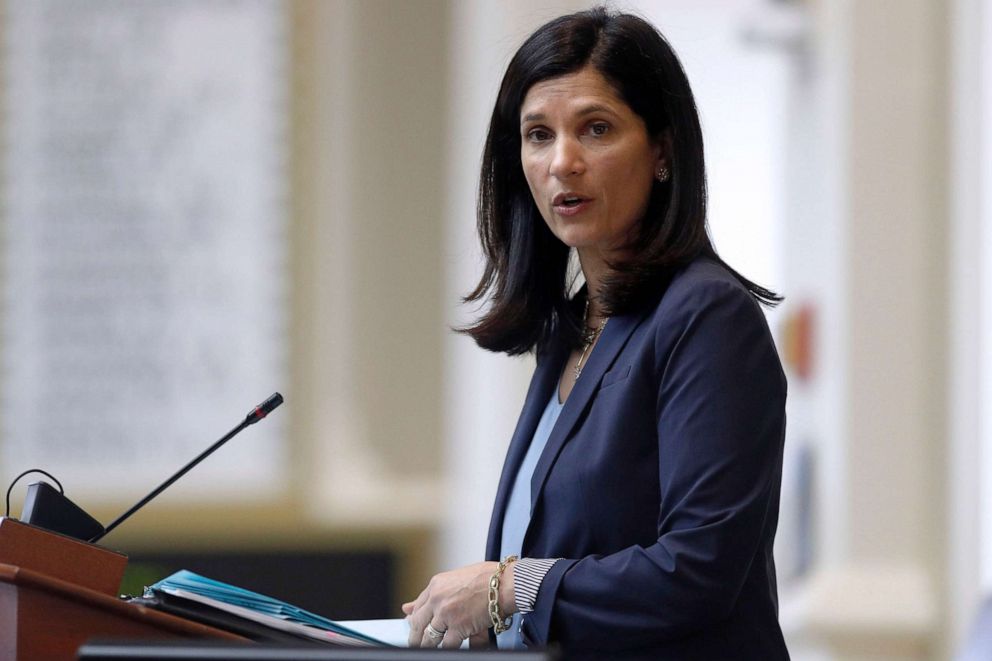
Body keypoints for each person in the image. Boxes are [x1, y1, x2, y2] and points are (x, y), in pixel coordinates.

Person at [402, 7, 789, 659]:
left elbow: (698, 570)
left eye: (596, 128)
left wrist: (506, 585)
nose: (563, 162)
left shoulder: (708, 317)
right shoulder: (572, 327)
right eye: (538, 134)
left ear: (662, 149)